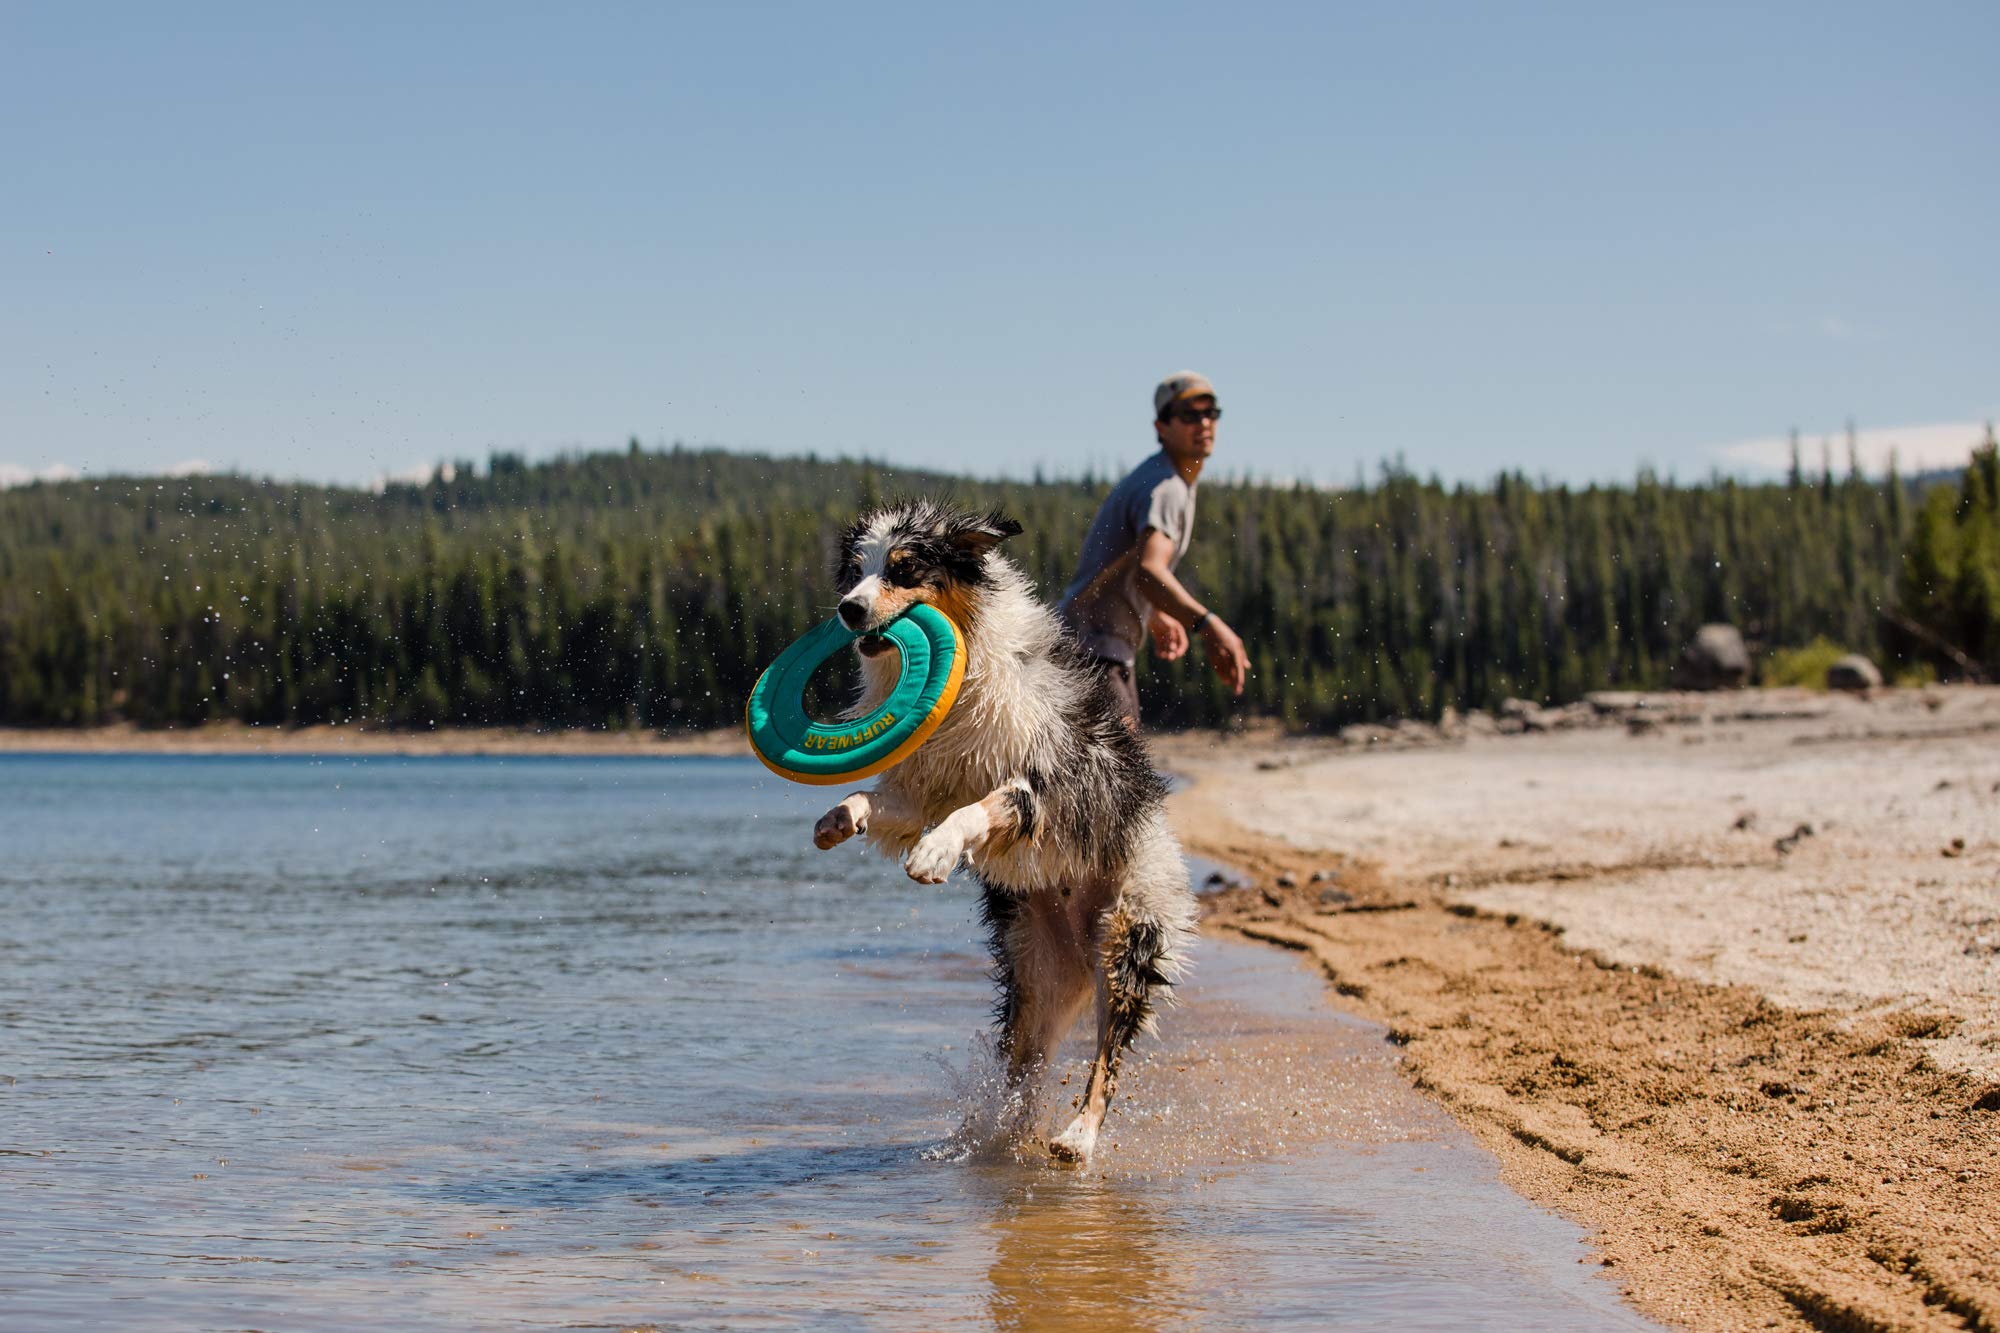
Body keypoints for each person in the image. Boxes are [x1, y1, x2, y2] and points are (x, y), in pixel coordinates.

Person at [1059, 370, 1250, 730]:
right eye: (1189, 415)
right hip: (1093, 655)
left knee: (1114, 779)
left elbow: (1124, 566)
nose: (1204, 423)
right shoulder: (1167, 487)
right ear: (1162, 427)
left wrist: (1155, 613)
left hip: (1085, 649)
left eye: (1211, 413)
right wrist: (1209, 626)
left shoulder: (1159, 478)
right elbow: (1150, 571)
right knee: (1121, 781)